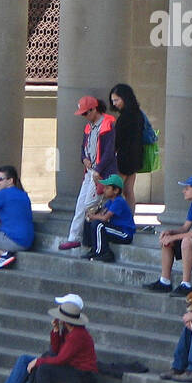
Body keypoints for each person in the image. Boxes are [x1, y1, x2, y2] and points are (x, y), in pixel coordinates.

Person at [0, 296, 97, 383]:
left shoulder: (77, 335)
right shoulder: (68, 330)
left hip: (81, 374)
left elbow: (61, 358)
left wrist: (38, 361)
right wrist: (56, 331)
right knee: (26, 360)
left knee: (43, 366)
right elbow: (55, 350)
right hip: (68, 366)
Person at [58, 95, 117, 252]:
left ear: (94, 109)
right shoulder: (89, 127)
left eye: (86, 113)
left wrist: (98, 169)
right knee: (81, 205)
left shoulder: (108, 124)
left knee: (90, 206)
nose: (84, 117)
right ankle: (74, 237)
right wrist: (84, 159)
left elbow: (109, 151)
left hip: (101, 173)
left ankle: (90, 241)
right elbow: (83, 148)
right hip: (90, 171)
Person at [81, 173, 135, 262]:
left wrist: (94, 216)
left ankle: (103, 252)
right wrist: (92, 215)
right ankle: (92, 247)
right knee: (89, 222)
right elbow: (102, 214)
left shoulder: (119, 201)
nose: (104, 190)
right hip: (115, 230)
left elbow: (105, 218)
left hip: (124, 233)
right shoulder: (110, 202)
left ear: (116, 190)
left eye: (107, 188)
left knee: (98, 225)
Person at [109, 83, 146, 211]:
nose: (114, 103)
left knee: (113, 190)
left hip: (125, 158)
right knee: (128, 191)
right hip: (135, 156)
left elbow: (118, 140)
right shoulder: (138, 114)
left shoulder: (125, 117)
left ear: (125, 98)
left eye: (116, 100)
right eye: (113, 100)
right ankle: (129, 218)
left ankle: (117, 217)